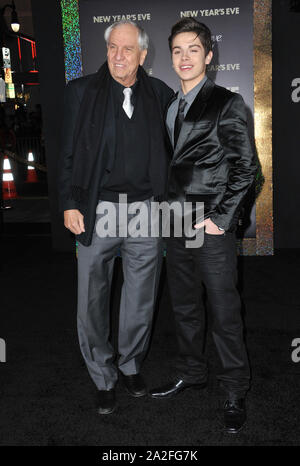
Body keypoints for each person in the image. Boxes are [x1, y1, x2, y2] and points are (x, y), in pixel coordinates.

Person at [58, 20, 173, 415]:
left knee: (141, 297)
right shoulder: (81, 91)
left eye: (127, 50)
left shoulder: (161, 94)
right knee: (91, 296)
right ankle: (102, 376)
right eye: (112, 48)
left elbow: (174, 155)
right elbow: (67, 154)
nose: (118, 56)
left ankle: (129, 364)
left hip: (145, 210)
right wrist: (69, 203)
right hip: (97, 209)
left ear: (143, 56)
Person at [149, 18, 256, 434]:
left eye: (194, 49)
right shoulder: (169, 106)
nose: (184, 57)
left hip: (210, 226)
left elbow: (246, 168)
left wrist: (221, 218)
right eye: (177, 50)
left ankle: (234, 389)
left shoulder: (227, 102)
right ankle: (191, 372)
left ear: (209, 57)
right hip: (175, 223)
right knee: (185, 306)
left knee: (224, 310)